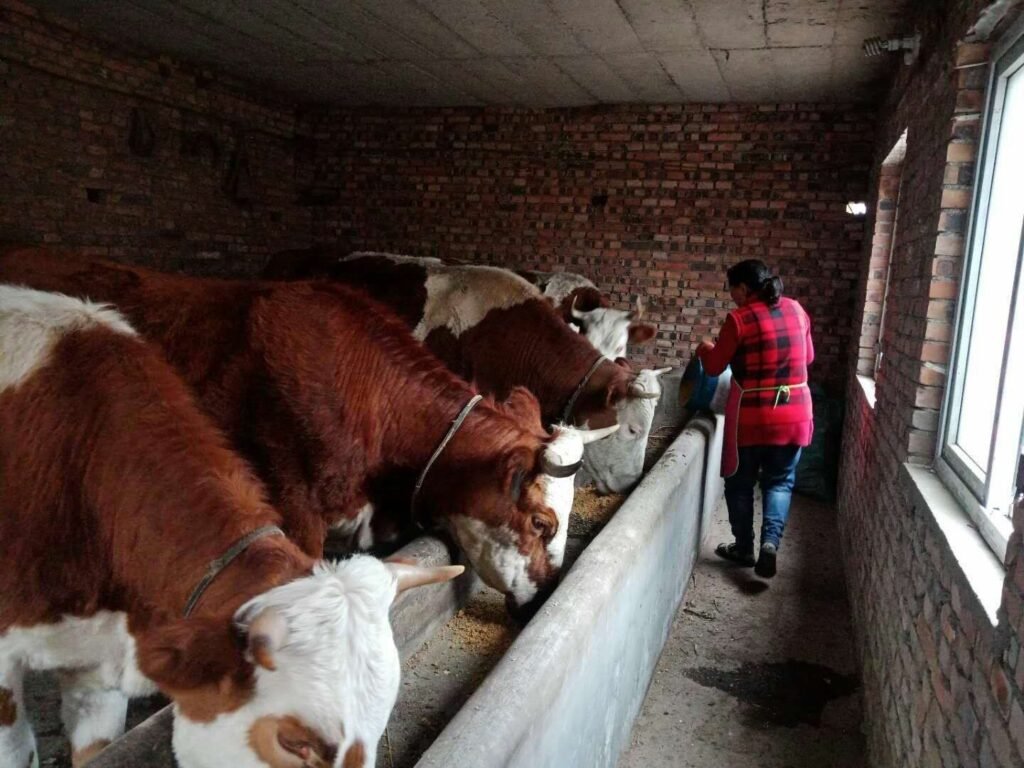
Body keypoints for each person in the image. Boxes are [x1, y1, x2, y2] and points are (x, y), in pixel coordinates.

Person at [696, 259, 814, 578]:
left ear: (744, 288)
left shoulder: (739, 319)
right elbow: (809, 357)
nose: (732, 297)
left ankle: (744, 547)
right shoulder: (797, 311)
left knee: (739, 482)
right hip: (795, 413)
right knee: (780, 482)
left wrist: (705, 348)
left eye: (732, 290)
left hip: (752, 417)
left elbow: (714, 367)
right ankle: (770, 545)